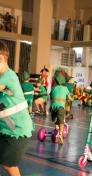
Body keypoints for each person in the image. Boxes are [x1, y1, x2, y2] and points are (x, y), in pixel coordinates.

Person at [0, 41, 34, 176]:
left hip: (18, 129)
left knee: (8, 165)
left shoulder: (8, 76)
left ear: (1, 58)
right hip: (7, 125)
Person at [50, 73, 72, 144]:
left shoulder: (53, 88)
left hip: (53, 107)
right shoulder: (65, 88)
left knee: (55, 118)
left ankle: (56, 127)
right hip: (61, 107)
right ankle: (60, 135)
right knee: (61, 121)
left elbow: (51, 95)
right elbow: (69, 98)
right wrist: (71, 99)